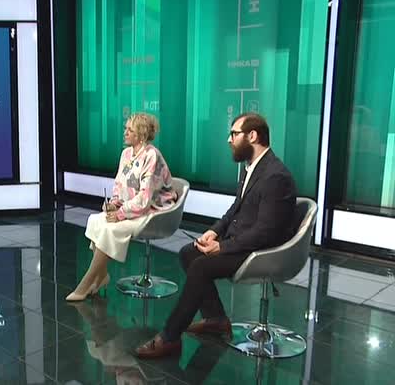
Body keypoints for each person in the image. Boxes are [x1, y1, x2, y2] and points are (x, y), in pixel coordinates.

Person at [135, 113, 298, 358]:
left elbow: (266, 232)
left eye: (234, 134)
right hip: (244, 241)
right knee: (188, 253)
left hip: (263, 250)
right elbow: (235, 209)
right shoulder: (252, 167)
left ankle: (170, 337)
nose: (229, 140)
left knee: (201, 267)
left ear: (252, 136)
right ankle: (216, 319)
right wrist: (213, 232)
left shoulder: (275, 176)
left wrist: (223, 247)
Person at [66, 113, 178, 301]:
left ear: (141, 135)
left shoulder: (151, 156)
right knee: (96, 220)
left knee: (110, 229)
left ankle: (87, 282)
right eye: (126, 128)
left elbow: (144, 199)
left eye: (129, 130)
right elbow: (120, 185)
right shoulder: (126, 154)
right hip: (131, 208)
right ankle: (102, 276)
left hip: (153, 210)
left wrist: (120, 214)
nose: (125, 132)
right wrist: (114, 203)